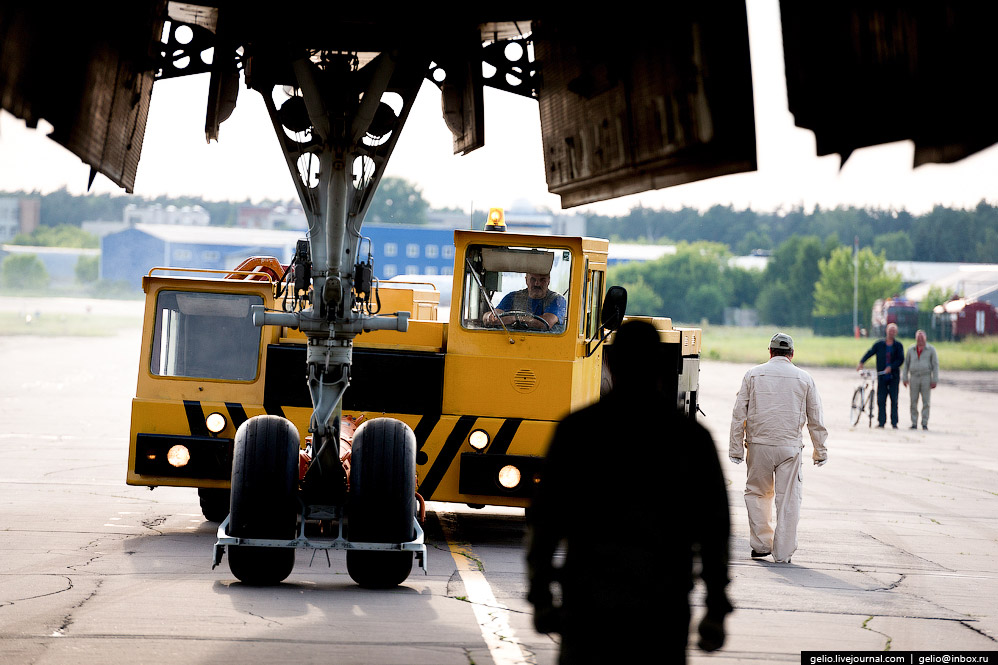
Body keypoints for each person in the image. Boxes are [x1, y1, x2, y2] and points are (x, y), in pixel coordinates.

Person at [527, 320, 731, 664]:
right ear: (662, 368)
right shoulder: (691, 440)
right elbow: (715, 531)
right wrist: (715, 609)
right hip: (662, 609)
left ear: (611, 363)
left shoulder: (578, 431)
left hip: (589, 606)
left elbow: (544, 521)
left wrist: (541, 596)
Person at [729, 332, 828, 564]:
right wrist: (820, 451)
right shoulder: (805, 378)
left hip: (759, 445)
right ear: (792, 354)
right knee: (789, 499)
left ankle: (762, 544)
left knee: (757, 494)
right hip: (789, 448)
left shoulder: (752, 375)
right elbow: (816, 418)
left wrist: (736, 450)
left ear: (770, 352)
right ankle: (782, 553)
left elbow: (738, 414)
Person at [482, 271, 567, 330]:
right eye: (533, 279)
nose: (537, 283)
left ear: (548, 281)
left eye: (542, 280)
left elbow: (546, 323)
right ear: (526, 280)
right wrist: (489, 317)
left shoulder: (557, 300)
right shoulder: (512, 297)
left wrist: (514, 318)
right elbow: (495, 314)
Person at [858, 322, 905, 428]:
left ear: (896, 332)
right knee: (881, 399)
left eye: (893, 331)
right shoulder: (879, 344)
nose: (891, 332)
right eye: (890, 330)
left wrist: (891, 367)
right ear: (886, 331)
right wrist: (861, 362)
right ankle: (881, 422)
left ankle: (894, 423)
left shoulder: (898, 346)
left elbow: (901, 359)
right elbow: (870, 352)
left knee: (894, 399)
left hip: (893, 377)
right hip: (882, 376)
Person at [902, 329, 939, 430]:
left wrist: (935, 379)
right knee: (913, 401)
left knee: (926, 401)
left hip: (926, 377)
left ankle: (924, 422)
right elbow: (906, 365)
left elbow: (935, 365)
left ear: (925, 338)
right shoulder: (911, 349)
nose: (920, 340)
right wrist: (905, 378)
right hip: (913, 377)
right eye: (918, 338)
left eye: (922, 338)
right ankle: (914, 422)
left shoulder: (931, 349)